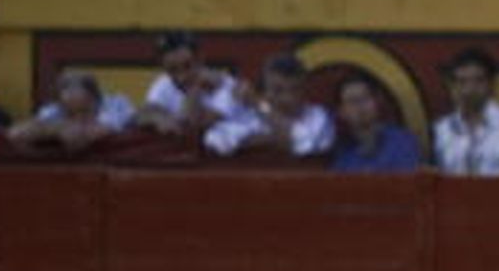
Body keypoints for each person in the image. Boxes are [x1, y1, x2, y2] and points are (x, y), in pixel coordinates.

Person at [204, 54, 335, 159]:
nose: (288, 98)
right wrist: (277, 139)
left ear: (305, 90)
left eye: (295, 90)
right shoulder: (248, 117)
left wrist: (259, 106)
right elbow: (215, 141)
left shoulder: (318, 116)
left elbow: (303, 144)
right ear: (264, 91)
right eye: (277, 91)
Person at [433, 47, 499, 176]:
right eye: (461, 82)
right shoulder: (441, 131)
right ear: (451, 87)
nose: (469, 90)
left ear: (492, 85)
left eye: (478, 81)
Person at [138, 31, 240, 135]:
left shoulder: (225, 85)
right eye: (172, 70)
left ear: (200, 59)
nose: (181, 77)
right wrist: (158, 118)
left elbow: (192, 124)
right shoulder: (163, 84)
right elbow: (143, 114)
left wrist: (195, 88)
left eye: (188, 66)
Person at [7, 70, 131, 152]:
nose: (70, 96)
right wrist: (59, 129)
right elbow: (16, 133)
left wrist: (51, 130)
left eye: (75, 90)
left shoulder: (114, 104)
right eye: (66, 91)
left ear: (93, 97)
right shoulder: (54, 109)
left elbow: (90, 135)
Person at [330, 73, 421, 173]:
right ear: (341, 111)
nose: (360, 106)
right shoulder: (340, 152)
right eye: (352, 101)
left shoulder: (402, 142)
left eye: (365, 98)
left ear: (377, 101)